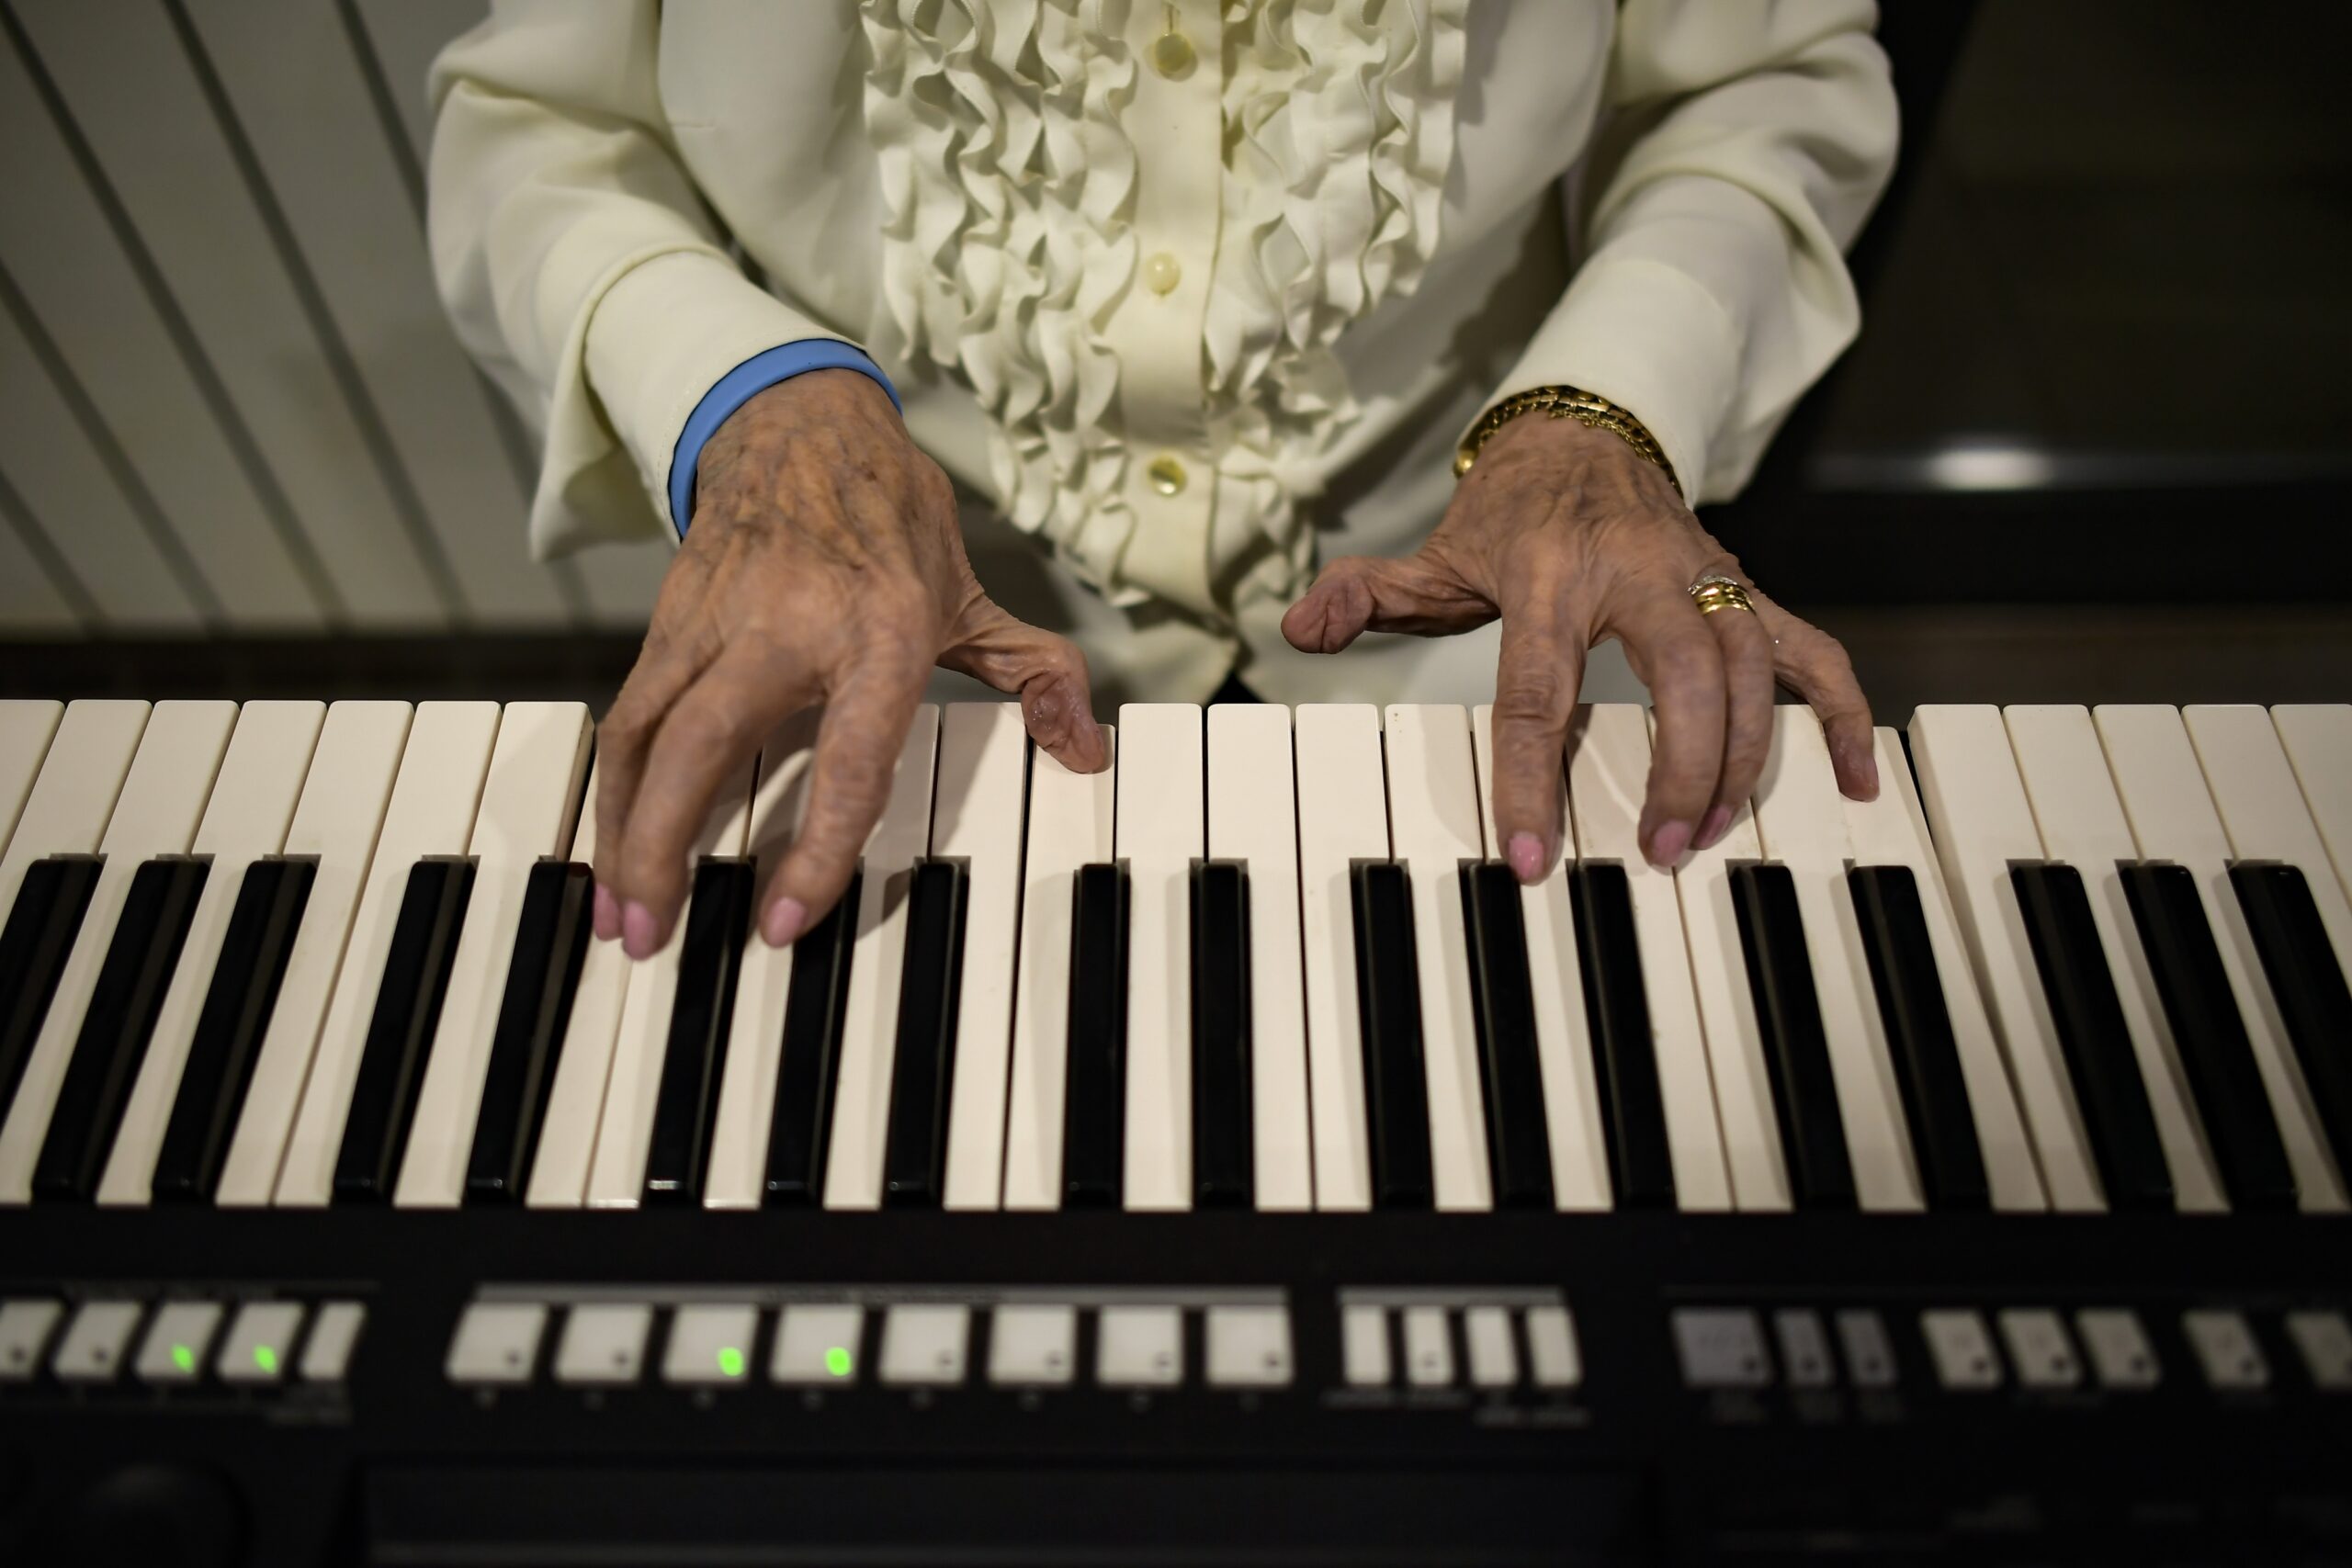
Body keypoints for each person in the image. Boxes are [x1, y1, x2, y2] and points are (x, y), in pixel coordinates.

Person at [429, 0, 1897, 961]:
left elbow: (1761, 89)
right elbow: (543, 135)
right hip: (905, 624)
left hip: (1474, 600)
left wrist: (1606, 411)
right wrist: (758, 410)